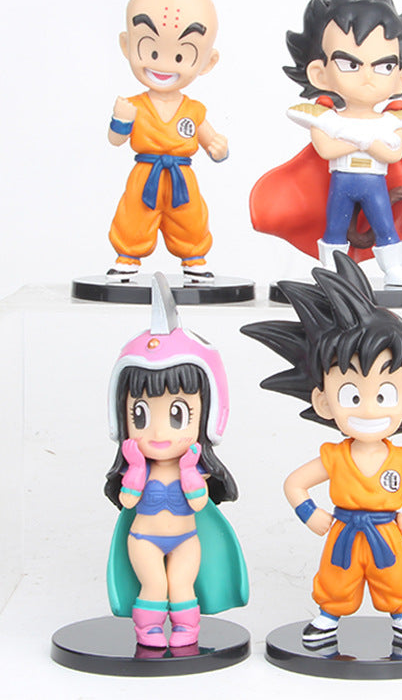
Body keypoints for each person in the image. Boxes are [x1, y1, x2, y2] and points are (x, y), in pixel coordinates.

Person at [241, 252, 402, 643]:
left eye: (384, 395)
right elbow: (295, 483)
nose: (367, 409)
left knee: (396, 579)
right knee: (336, 579)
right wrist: (310, 513)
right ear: (323, 401)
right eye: (350, 394)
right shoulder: (335, 457)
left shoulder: (401, 459)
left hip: (387, 533)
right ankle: (328, 616)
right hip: (343, 531)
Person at [250, 0, 402, 286]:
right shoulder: (325, 117)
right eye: (350, 64)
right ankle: (331, 270)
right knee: (334, 227)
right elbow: (326, 150)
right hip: (341, 181)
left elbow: (393, 154)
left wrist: (362, 141)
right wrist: (363, 141)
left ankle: (393, 268)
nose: (367, 76)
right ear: (319, 73)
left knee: (385, 226)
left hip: (374, 183)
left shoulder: (393, 120)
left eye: (384, 66)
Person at [105, 274, 247, 647]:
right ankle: (148, 629)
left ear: (208, 417)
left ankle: (187, 628)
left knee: (182, 584)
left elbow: (199, 504)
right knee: (154, 584)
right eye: (140, 415)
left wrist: (189, 473)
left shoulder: (193, 466)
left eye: (177, 414)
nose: (158, 431)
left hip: (186, 537)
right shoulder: (140, 466)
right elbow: (128, 502)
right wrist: (136, 471)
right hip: (144, 538)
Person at [107, 0, 228, 284]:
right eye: (151, 51)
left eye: (180, 57)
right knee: (134, 214)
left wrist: (218, 147)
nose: (163, 65)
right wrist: (121, 120)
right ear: (127, 45)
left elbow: (210, 140)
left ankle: (194, 256)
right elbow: (115, 140)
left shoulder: (193, 110)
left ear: (207, 62)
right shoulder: (134, 105)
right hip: (145, 173)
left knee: (190, 216)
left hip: (181, 177)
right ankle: (127, 255)